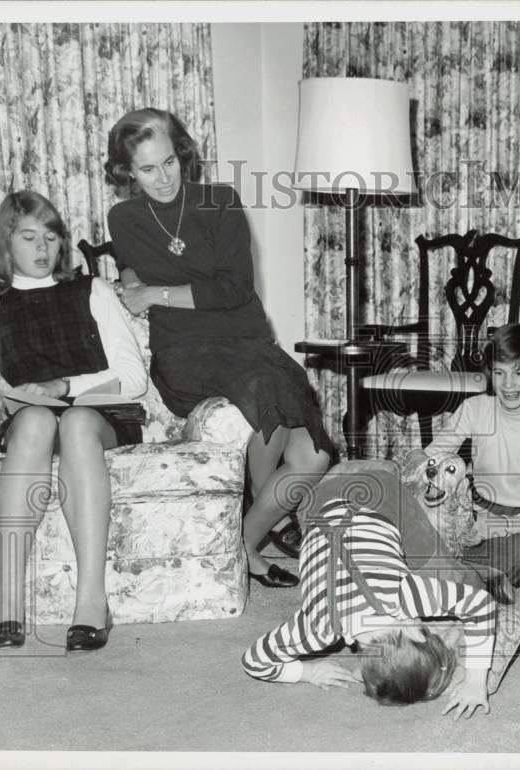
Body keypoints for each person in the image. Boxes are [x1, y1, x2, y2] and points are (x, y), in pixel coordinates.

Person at [104, 108, 335, 588]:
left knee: (315, 459)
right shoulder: (123, 217)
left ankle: (239, 542)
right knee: (264, 386)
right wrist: (129, 282)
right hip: (187, 351)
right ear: (127, 172)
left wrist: (155, 294)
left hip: (248, 339)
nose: (163, 178)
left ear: (181, 153)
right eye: (147, 169)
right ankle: (250, 545)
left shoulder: (219, 202)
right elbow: (129, 264)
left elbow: (233, 289)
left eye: (169, 162)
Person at [0, 190, 147, 651]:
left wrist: (66, 386)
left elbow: (133, 378)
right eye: (28, 237)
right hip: (30, 423)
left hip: (99, 416)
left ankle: (92, 602)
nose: (42, 249)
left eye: (51, 237)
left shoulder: (92, 290)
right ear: (6, 243)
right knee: (39, 420)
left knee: (77, 421)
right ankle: (8, 601)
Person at [240, 481, 498, 718]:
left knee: (442, 569)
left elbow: (481, 605)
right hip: (348, 504)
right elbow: (255, 660)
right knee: (437, 561)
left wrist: (476, 681)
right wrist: (307, 671)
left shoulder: (403, 595)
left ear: (418, 633)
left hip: (343, 506)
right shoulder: (319, 628)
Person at [423, 323, 520, 589]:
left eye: (519, 372)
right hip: (478, 504)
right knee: (421, 527)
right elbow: (433, 454)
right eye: (500, 373)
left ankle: (458, 576)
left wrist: (494, 527)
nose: (508, 384)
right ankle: (460, 571)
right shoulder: (476, 408)